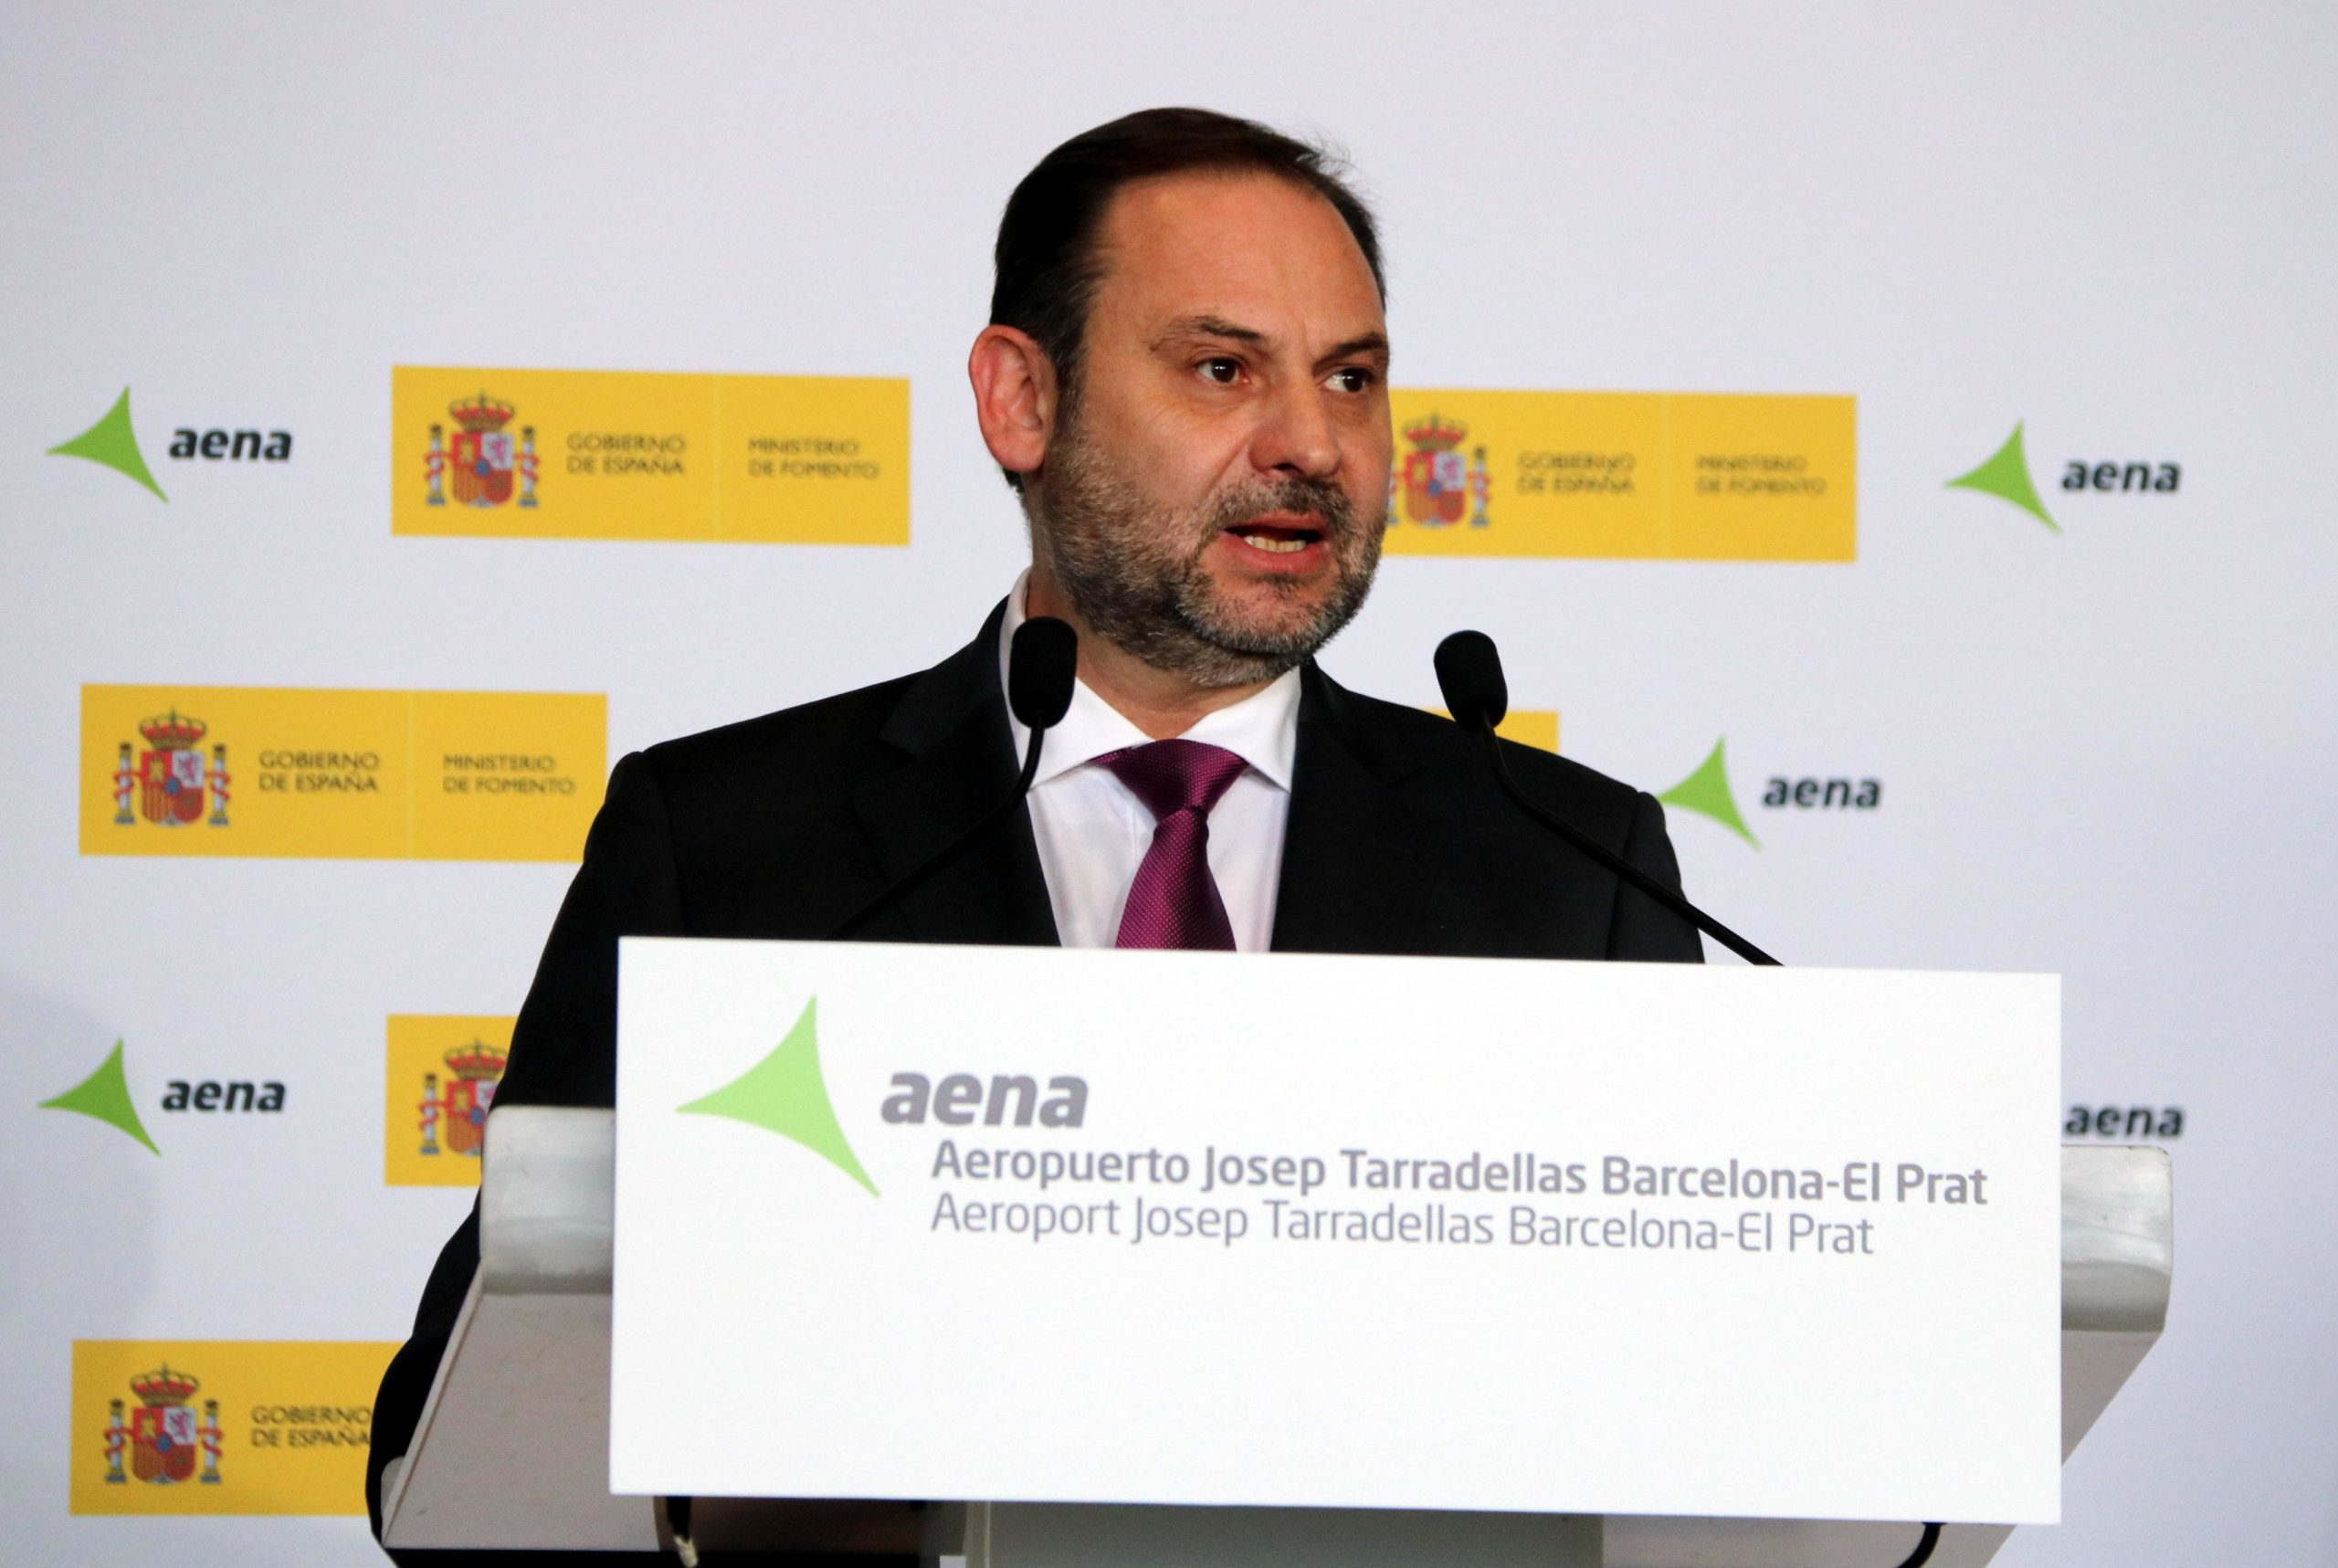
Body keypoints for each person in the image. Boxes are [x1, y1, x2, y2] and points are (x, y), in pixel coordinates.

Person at [366, 105, 1701, 1542]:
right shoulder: (732, 842)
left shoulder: (1566, 870)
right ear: (1022, 401)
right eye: (1221, 368)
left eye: (1352, 378)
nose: (1313, 443)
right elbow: (466, 1438)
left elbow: (1699, 1403)